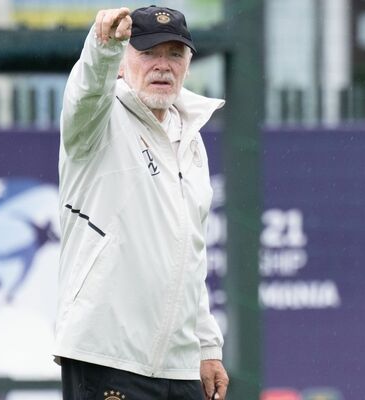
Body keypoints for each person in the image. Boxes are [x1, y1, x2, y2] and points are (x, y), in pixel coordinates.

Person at [55, 6, 228, 400]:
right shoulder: (97, 120)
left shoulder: (191, 138)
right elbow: (85, 94)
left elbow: (189, 255)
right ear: (121, 63)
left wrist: (206, 347)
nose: (163, 66)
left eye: (174, 54)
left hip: (179, 365)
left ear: (187, 63)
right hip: (107, 355)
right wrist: (102, 48)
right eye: (148, 53)